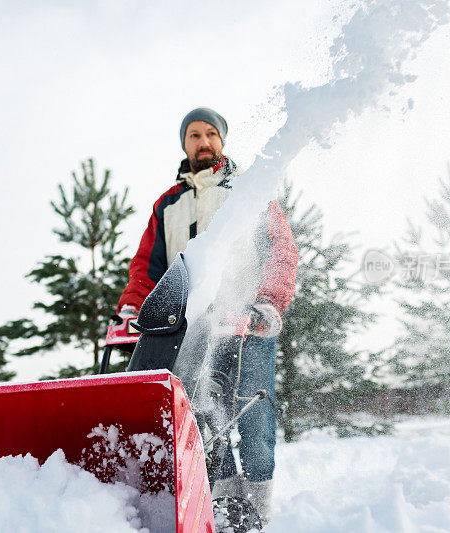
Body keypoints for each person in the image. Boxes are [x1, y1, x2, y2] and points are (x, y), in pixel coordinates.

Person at [116, 107, 297, 521]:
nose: (203, 142)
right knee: (199, 413)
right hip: (189, 330)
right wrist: (131, 307)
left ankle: (261, 508)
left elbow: (280, 251)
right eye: (194, 135)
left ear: (222, 140)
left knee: (253, 413)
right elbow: (148, 268)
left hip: (248, 322)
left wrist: (269, 301)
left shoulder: (248, 190)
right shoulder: (168, 204)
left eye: (210, 134)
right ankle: (223, 501)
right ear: (184, 143)